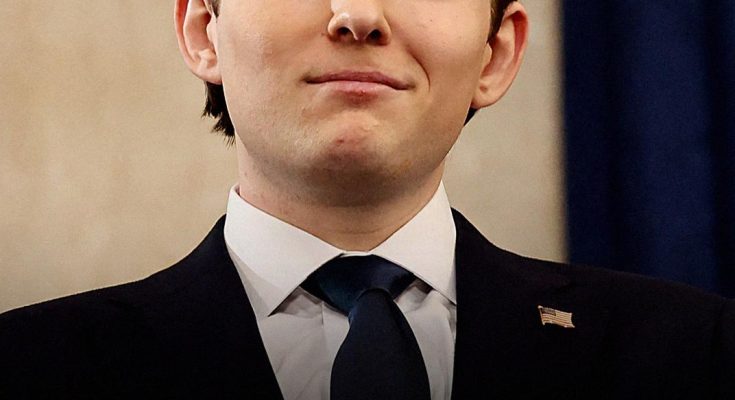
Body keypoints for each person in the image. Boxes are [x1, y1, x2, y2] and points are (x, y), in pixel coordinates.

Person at [1, 0, 733, 398]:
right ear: (204, 32)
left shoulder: (697, 354)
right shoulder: (28, 368)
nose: (356, 14)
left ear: (497, 51)